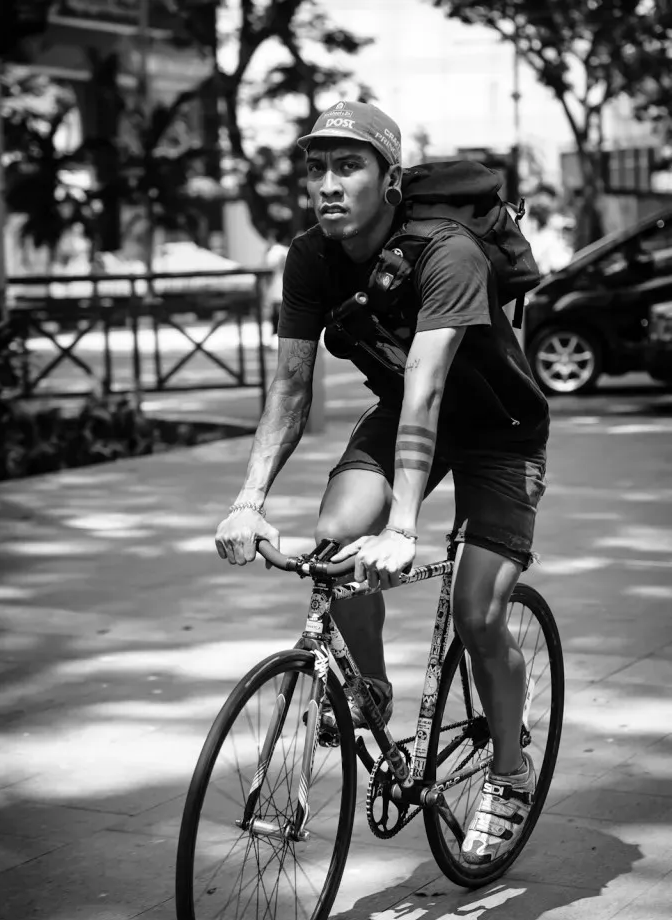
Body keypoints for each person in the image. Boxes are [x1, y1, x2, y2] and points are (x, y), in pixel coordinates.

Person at [215, 100, 550, 866]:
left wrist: (402, 529)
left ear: (390, 179)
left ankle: (507, 771)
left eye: (346, 166)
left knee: (476, 612)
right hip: (404, 414)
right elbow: (290, 391)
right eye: (314, 168)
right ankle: (368, 688)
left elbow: (429, 388)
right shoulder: (310, 257)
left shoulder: (447, 252)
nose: (326, 184)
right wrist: (248, 500)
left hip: (498, 432)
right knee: (335, 550)